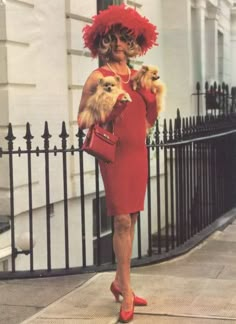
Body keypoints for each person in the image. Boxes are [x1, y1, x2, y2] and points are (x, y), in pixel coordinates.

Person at [78, 4, 159, 323]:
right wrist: (109, 113)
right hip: (114, 155)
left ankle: (118, 280)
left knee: (133, 217)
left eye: (126, 38)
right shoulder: (99, 76)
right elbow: (82, 120)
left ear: (134, 41)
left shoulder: (139, 76)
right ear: (105, 41)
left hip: (138, 151)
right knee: (122, 220)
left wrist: (150, 98)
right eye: (114, 38)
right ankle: (126, 290)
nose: (121, 44)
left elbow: (149, 118)